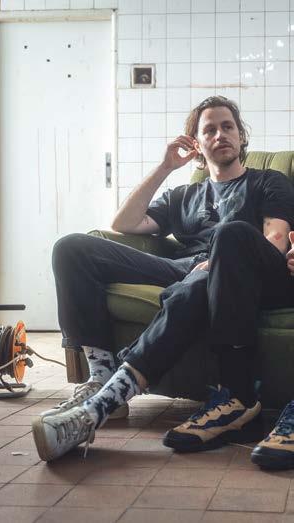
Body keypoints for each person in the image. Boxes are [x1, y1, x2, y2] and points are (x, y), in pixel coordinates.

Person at [31, 95, 294, 463]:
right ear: (196, 144)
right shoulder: (183, 195)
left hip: (246, 272)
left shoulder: (267, 181)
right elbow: (124, 223)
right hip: (183, 267)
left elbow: (275, 241)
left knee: (225, 242)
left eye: (228, 126)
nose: (220, 134)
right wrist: (165, 167)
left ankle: (101, 406)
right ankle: (100, 375)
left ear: (241, 135)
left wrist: (217, 265)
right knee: (72, 248)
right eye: (209, 130)